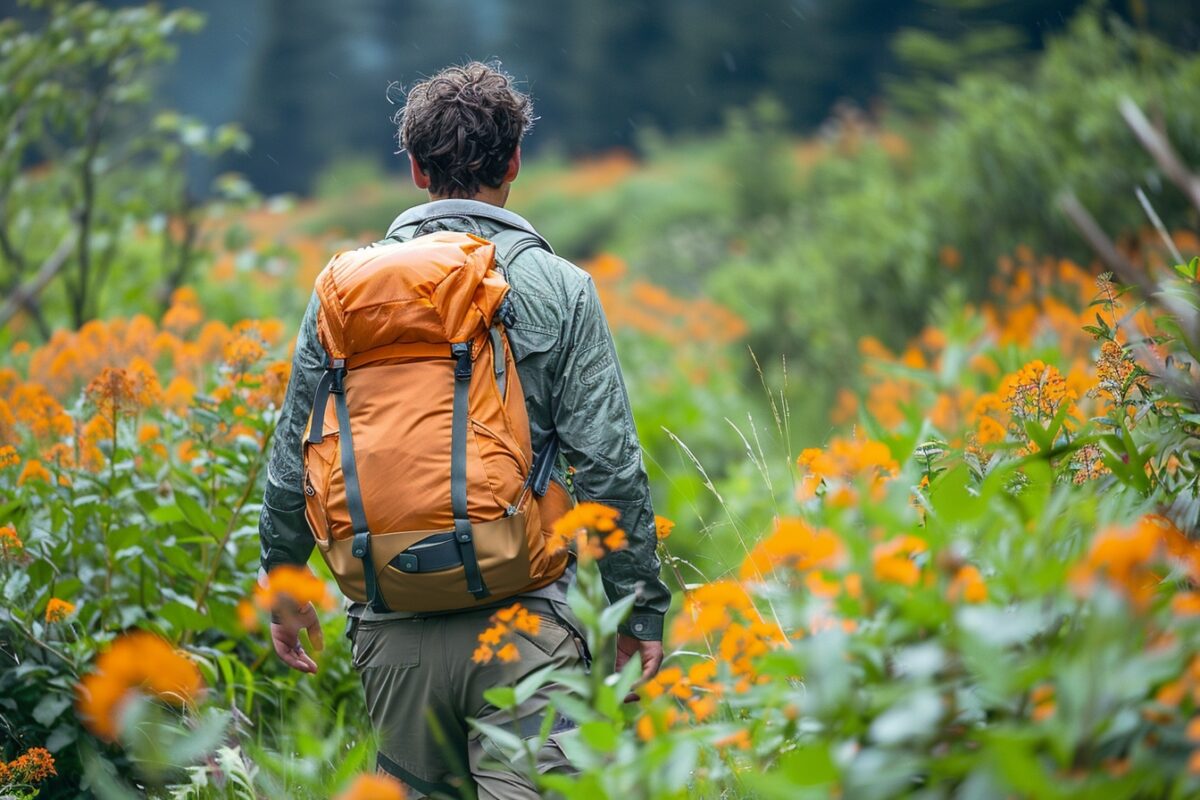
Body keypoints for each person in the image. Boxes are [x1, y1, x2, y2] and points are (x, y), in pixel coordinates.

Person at [256, 61, 670, 798]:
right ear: (514, 162)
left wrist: (285, 592)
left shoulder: (343, 291)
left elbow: (294, 463)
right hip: (528, 625)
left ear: (416, 169)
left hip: (392, 627)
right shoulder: (560, 288)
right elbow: (610, 465)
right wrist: (639, 607)